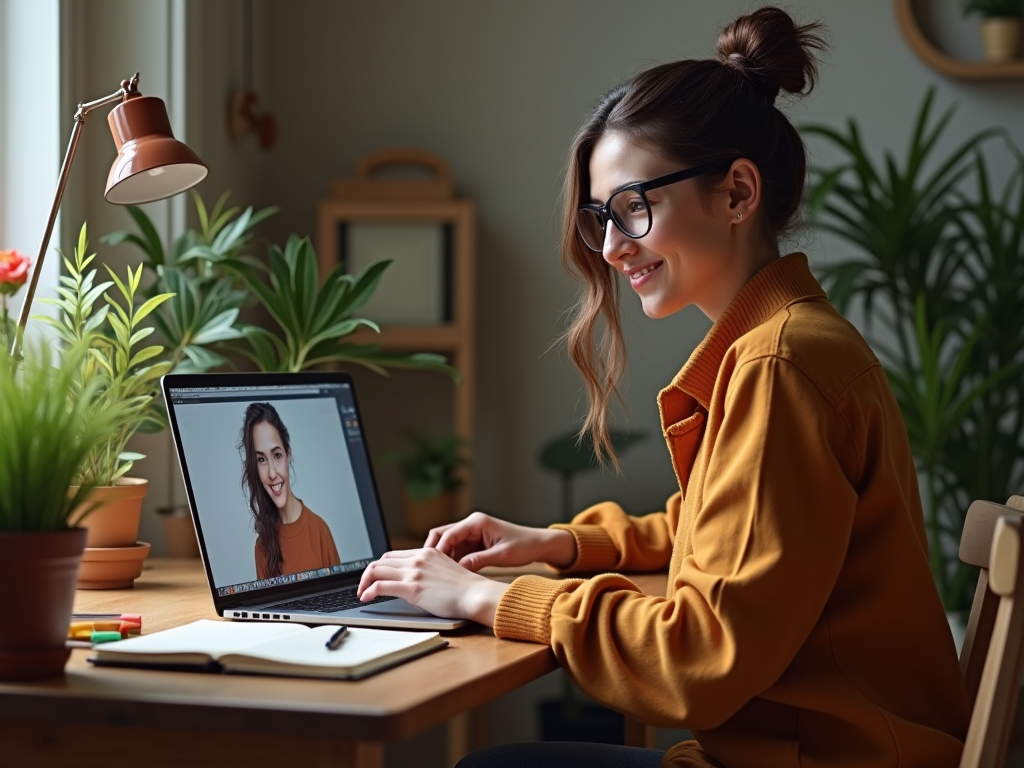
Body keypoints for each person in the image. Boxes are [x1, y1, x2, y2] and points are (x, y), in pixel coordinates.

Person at [357, 7, 970, 766]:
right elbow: (713, 535)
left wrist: (485, 598)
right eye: (598, 218)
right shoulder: (783, 344)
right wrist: (557, 543)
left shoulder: (780, 366)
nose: (611, 248)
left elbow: (697, 659)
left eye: (632, 209)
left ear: (738, 194)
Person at [239, 402, 341, 580]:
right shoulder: (262, 547)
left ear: (288, 455)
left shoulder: (319, 530)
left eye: (276, 455)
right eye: (261, 460)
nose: (272, 473)